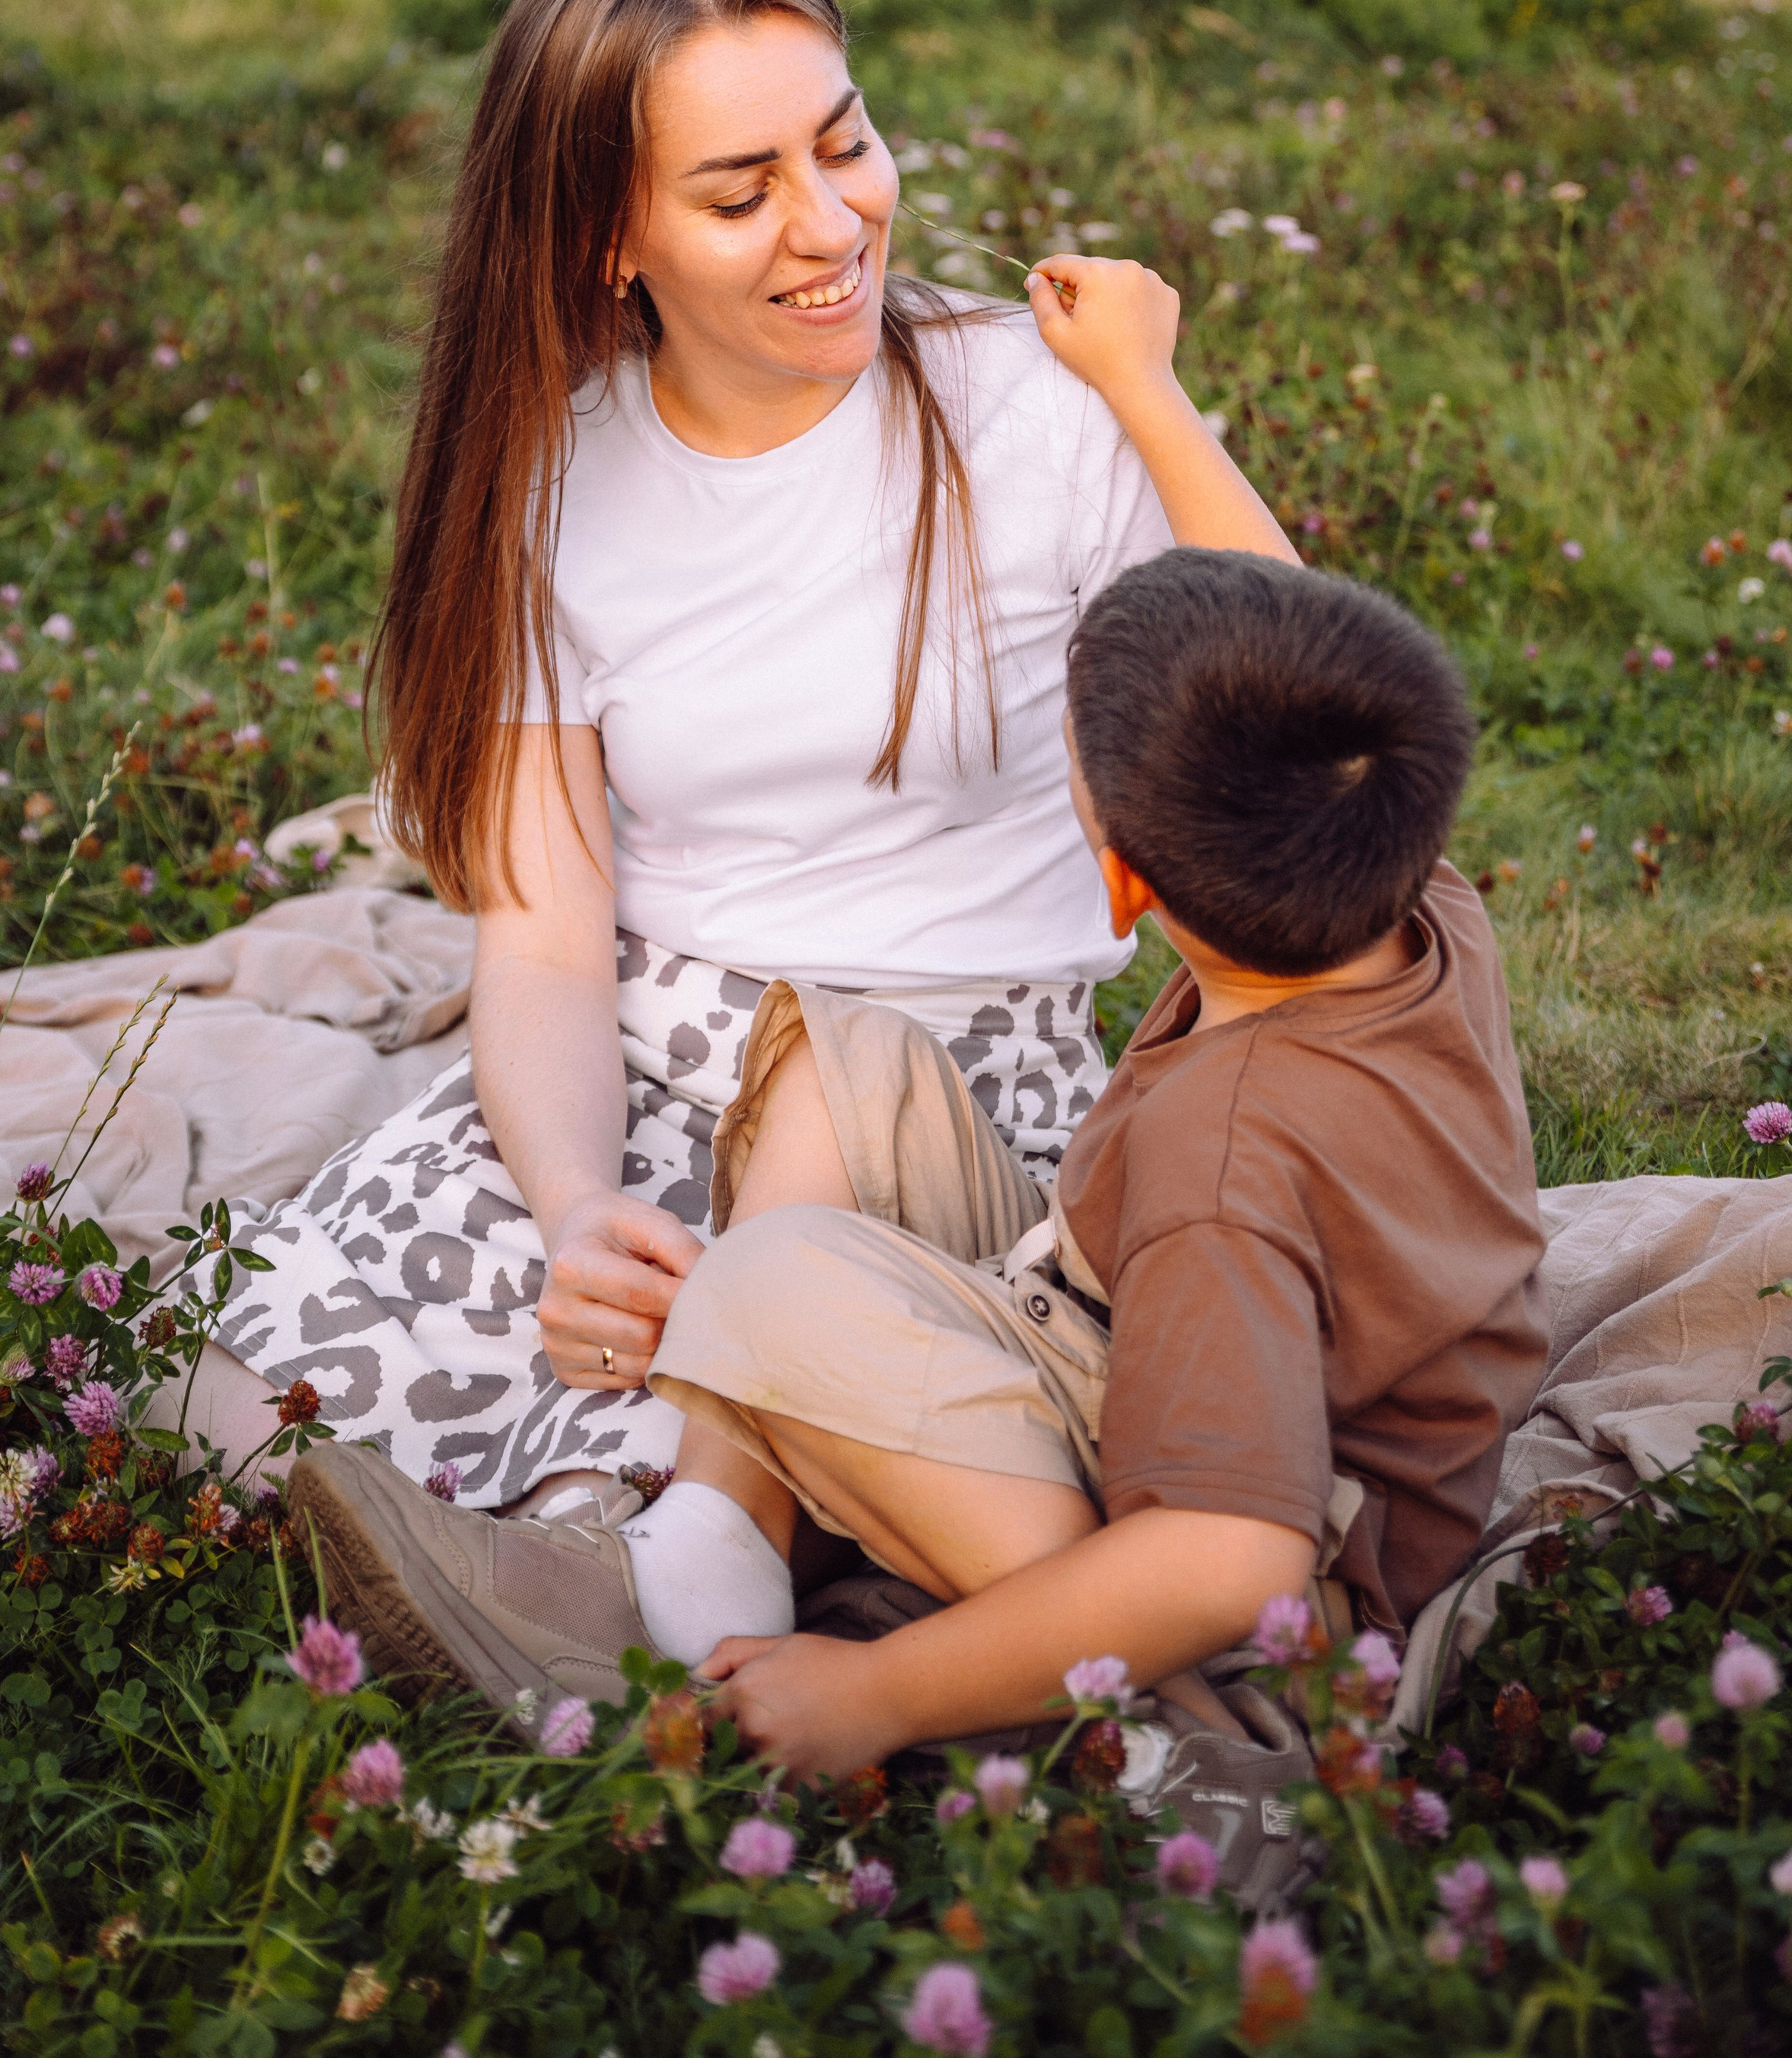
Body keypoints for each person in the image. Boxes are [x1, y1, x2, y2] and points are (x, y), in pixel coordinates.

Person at [186, 0, 1297, 1535]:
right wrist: (576, 1205)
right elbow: (547, 940)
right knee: (241, 1409)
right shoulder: (555, 479)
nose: (832, 223)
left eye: (844, 144)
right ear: (606, 240)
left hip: (944, 1079)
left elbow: (1302, 707)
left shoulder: (1032, 408)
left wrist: (1148, 390)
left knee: (673, 1437)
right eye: (740, 192)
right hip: (647, 1061)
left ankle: (648, 1554)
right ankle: (611, 1539)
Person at [285, 551, 1547, 1776]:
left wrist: (881, 1695)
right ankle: (712, 1546)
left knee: (767, 1288)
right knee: (854, 1058)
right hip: (1167, 1340)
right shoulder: (1413, 903)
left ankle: (1139, 1709)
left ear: (1121, 885)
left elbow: (1234, 1559)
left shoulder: (1219, 1167)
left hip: (1270, 1587)